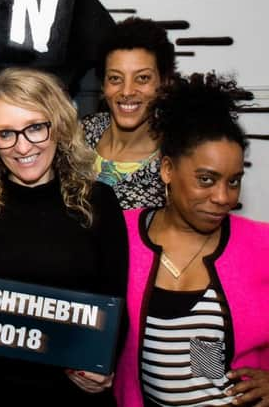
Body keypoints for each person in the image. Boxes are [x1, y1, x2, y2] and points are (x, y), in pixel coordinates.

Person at [0, 67, 128, 406]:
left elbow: (115, 306)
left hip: (74, 397)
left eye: (35, 128)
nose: (22, 147)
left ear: (59, 126)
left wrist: (103, 364)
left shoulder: (99, 203)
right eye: (6, 133)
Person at [114, 73, 269, 407]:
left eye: (233, 181)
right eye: (206, 179)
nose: (223, 197)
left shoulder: (261, 245)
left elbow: (207, 370)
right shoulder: (120, 235)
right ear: (168, 169)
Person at [81, 16, 177, 209]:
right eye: (115, 78)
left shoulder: (176, 159)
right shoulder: (80, 133)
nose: (126, 91)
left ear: (164, 81)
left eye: (142, 78)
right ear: (103, 84)